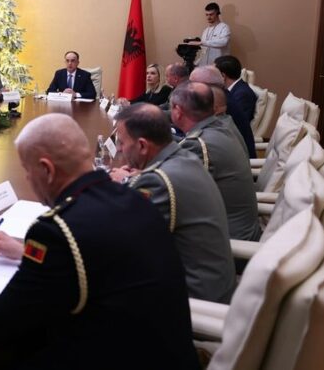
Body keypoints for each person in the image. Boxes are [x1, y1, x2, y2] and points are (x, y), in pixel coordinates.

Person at [0, 113, 199, 369]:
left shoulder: (56, 231)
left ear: (46, 170)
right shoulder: (134, 197)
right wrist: (23, 251)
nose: (27, 179)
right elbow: (98, 261)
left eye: (27, 170)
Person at [109, 103, 235, 303]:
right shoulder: (185, 157)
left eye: (121, 142)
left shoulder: (157, 182)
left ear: (142, 146)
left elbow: (124, 241)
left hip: (192, 296)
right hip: (212, 282)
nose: (119, 149)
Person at [170, 82, 262, 241]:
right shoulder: (221, 126)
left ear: (177, 112)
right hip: (237, 228)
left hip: (225, 240)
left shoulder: (200, 145)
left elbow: (175, 195)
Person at [190, 65, 256, 158]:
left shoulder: (221, 104)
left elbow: (205, 136)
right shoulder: (224, 97)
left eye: (192, 85)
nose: (189, 89)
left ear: (207, 86)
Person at [215, 54, 257, 122]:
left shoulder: (243, 94)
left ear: (223, 76)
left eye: (213, 73)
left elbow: (235, 122)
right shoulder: (225, 89)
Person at [191, 2, 230, 66]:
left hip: (219, 67)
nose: (208, 17)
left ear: (217, 13)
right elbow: (203, 52)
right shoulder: (205, 30)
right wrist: (196, 64)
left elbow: (223, 42)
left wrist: (202, 43)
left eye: (211, 14)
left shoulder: (224, 27)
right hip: (205, 68)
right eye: (207, 15)